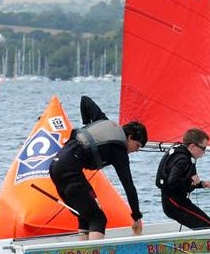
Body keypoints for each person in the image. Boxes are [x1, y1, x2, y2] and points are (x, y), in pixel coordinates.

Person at [49, 96, 147, 240]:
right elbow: (129, 187)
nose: (136, 151)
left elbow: (85, 101)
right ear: (130, 137)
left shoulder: (102, 121)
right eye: (137, 146)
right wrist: (136, 217)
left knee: (85, 216)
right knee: (98, 219)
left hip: (55, 165)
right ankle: (94, 253)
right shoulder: (119, 151)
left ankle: (84, 251)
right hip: (69, 169)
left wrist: (88, 128)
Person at [156, 128, 210, 230]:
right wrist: (192, 182)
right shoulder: (183, 160)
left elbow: (178, 180)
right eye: (203, 148)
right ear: (192, 146)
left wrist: (201, 184)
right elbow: (172, 183)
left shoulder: (180, 152)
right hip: (175, 205)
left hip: (173, 203)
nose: (204, 152)